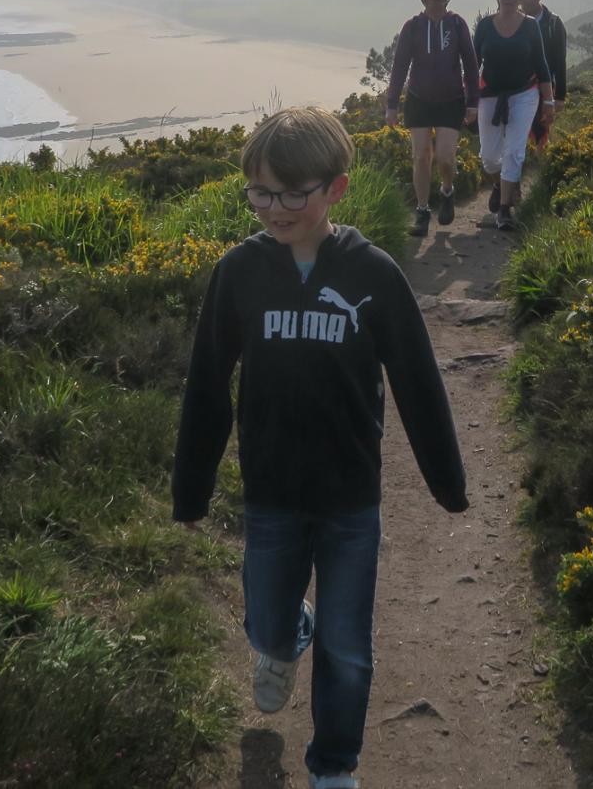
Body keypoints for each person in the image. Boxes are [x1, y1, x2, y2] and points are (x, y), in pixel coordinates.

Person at [173, 107, 468, 789]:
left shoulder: (374, 274)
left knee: (349, 648)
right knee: (270, 625)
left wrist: (446, 481)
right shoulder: (239, 272)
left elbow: (418, 380)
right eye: (260, 192)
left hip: (350, 500)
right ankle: (284, 637)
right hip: (272, 494)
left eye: (290, 193)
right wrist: (191, 489)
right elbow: (208, 385)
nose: (273, 208)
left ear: (335, 188)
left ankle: (333, 766)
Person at [383, 0, 480, 238]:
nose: (442, 5)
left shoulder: (457, 24)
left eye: (445, 0)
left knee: (445, 157)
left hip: (451, 100)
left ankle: (447, 190)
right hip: (418, 99)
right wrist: (392, 105)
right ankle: (423, 210)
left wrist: (473, 103)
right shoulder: (412, 27)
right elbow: (400, 67)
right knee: (420, 156)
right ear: (424, 0)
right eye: (436, 0)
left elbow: (471, 66)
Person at [473, 0, 556, 231]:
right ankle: (501, 183)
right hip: (490, 94)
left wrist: (549, 100)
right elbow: (473, 63)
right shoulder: (485, 26)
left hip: (524, 93)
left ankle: (505, 209)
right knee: (489, 157)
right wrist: (467, 100)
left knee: (514, 151)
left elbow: (542, 65)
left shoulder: (530, 26)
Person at [520, 0, 569, 149]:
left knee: (541, 128)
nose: (527, 0)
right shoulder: (514, 21)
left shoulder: (553, 23)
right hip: (518, 85)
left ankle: (538, 166)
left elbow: (560, 60)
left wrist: (560, 96)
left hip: (544, 86)